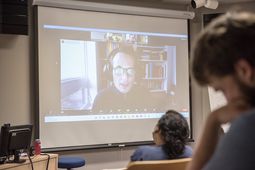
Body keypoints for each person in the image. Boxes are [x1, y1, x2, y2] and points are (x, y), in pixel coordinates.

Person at [187, 11, 255, 170]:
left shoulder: (248, 126)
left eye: (222, 90)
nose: (227, 101)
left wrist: (213, 120)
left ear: (244, 71)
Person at [92, 45, 156, 112]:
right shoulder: (101, 99)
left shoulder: (145, 95)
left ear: (136, 73)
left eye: (130, 70)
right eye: (118, 70)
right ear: (110, 72)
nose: (125, 78)